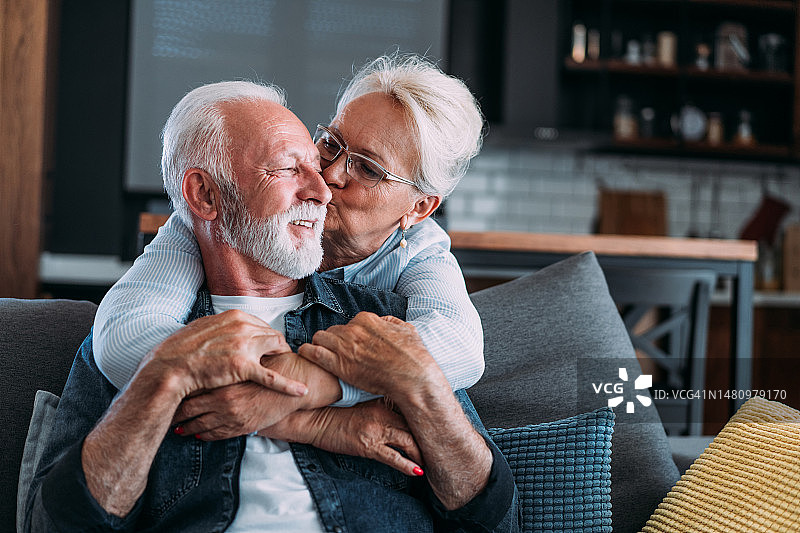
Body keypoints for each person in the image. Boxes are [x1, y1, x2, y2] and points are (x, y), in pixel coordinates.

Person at [23, 80, 518, 532]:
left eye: (366, 168)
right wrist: (169, 380)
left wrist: (390, 386)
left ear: (418, 208)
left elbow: (493, 518)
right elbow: (58, 522)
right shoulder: (147, 325)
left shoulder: (390, 324)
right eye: (304, 159)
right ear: (205, 194)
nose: (325, 184)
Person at [93, 54, 486, 417]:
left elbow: (461, 351)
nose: (328, 176)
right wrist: (299, 417)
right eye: (331, 144)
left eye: (367, 169)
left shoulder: (420, 252)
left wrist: (317, 384)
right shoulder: (219, 221)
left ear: (418, 209)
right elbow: (125, 339)